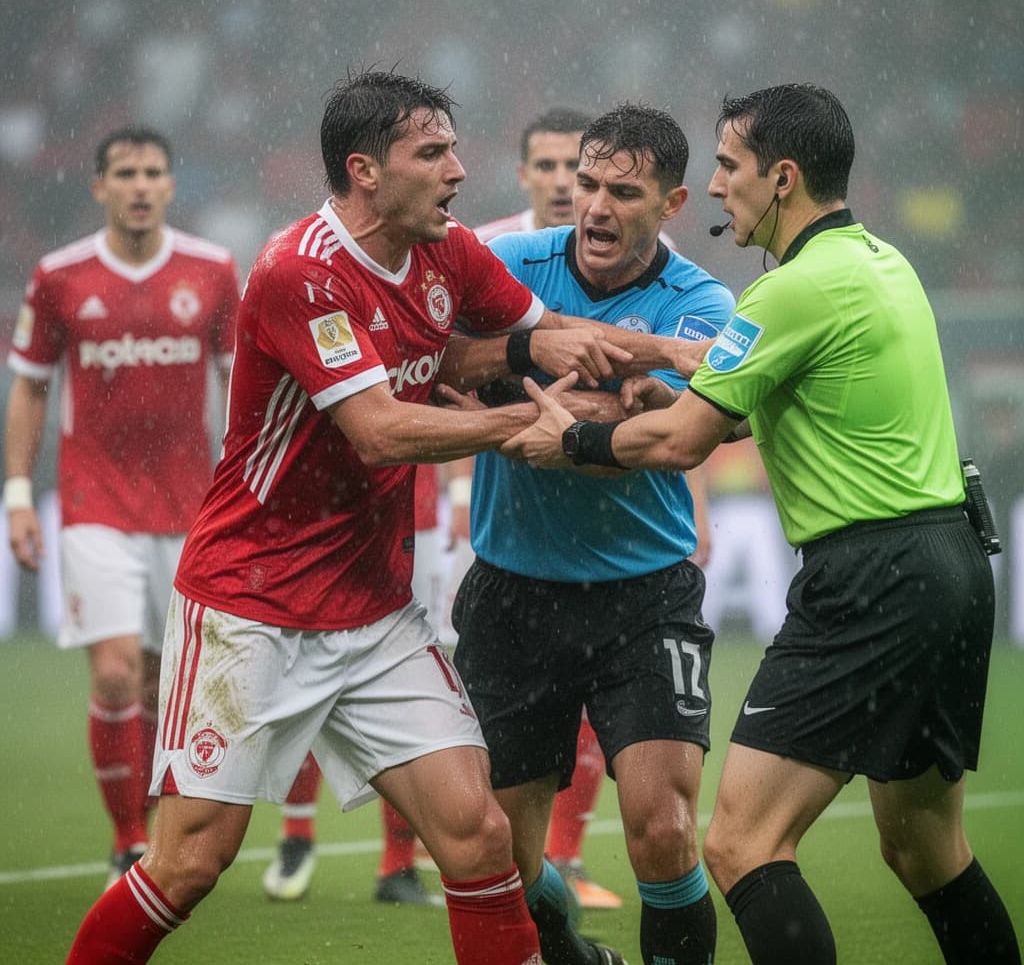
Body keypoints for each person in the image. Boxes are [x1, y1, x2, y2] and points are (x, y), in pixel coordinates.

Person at [63, 67, 660, 965]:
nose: (459, 169)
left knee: (477, 834)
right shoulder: (298, 272)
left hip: (374, 610)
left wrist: (677, 362)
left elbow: (528, 343)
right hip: (249, 606)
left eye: (454, 147)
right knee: (190, 861)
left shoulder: (446, 249)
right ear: (366, 170)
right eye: (433, 152)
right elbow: (379, 432)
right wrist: (529, 424)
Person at [505, 83, 1022, 965]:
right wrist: (679, 388)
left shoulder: (788, 291)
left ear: (783, 178)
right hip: (954, 564)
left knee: (742, 844)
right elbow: (747, 408)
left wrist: (577, 437)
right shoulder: (880, 262)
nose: (714, 187)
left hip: (873, 577)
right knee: (926, 849)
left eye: (728, 167)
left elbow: (680, 444)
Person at [452, 103, 734, 965]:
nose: (598, 208)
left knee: (663, 828)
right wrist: (591, 401)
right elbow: (445, 365)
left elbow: (655, 441)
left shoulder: (700, 300)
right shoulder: (510, 263)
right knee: (499, 851)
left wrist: (534, 401)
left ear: (673, 203)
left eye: (624, 191)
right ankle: (578, 957)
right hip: (512, 587)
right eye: (587, 184)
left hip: (644, 594)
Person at [3, 126, 240, 891]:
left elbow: (242, 389)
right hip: (94, 504)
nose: (141, 186)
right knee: (112, 676)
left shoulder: (211, 271)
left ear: (172, 185)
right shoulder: (60, 276)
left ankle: (151, 830)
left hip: (191, 508)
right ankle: (126, 841)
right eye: (126, 174)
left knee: (158, 682)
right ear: (100, 186)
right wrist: (16, 495)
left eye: (153, 173)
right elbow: (32, 386)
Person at [262, 464, 448, 906]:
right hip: (324, 517)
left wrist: (459, 492)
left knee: (412, 689)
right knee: (308, 678)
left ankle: (399, 863)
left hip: (411, 519)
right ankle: (297, 834)